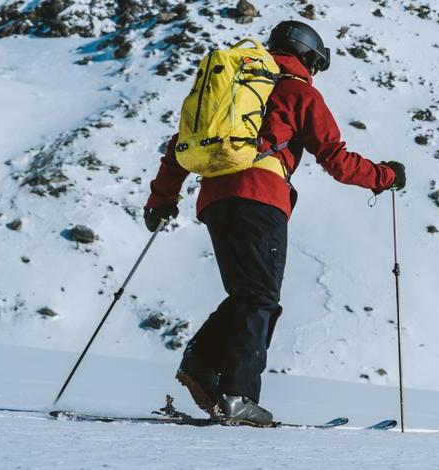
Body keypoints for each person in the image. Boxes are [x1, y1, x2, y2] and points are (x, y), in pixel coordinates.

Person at [142, 20, 407, 426]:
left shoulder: (230, 91)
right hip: (261, 197)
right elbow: (335, 158)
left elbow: (178, 148)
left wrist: (162, 199)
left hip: (214, 199)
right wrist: (384, 176)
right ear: (305, 56)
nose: (315, 71)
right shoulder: (298, 92)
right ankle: (238, 395)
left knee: (248, 292)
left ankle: (202, 366)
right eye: (315, 62)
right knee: (259, 297)